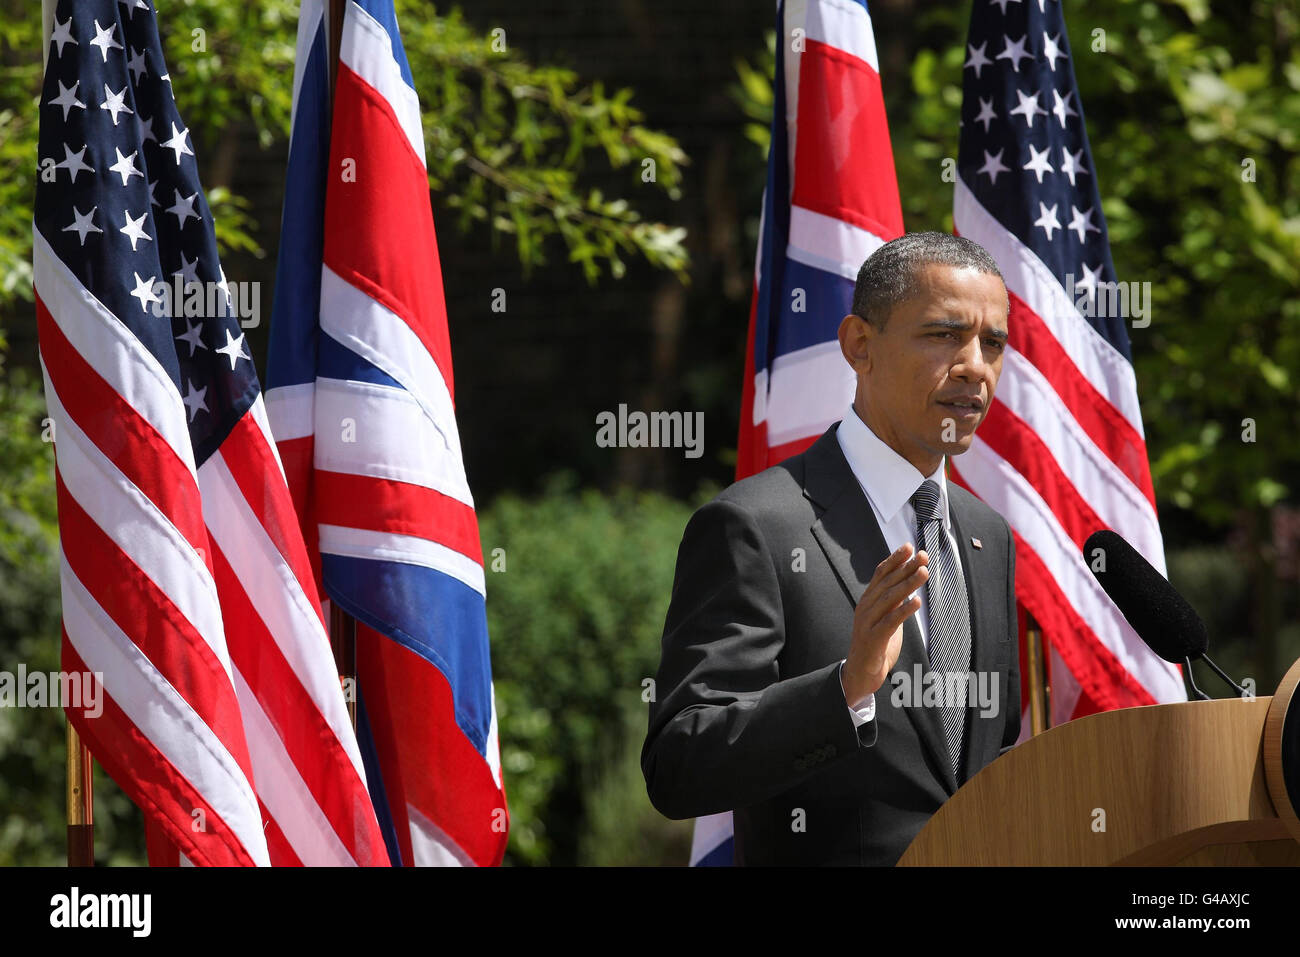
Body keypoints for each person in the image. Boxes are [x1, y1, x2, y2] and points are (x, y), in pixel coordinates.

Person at [642, 232, 1022, 865]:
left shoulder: (988, 535)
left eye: (993, 343)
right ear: (859, 346)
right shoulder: (756, 525)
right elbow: (679, 765)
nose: (974, 366)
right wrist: (847, 689)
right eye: (942, 335)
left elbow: (989, 756)